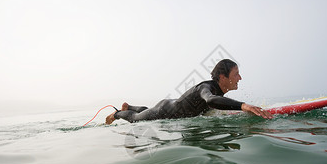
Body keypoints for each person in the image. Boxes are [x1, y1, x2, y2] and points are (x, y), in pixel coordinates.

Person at [105, 59, 273, 124]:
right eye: (236, 74)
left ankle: (130, 106)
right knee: (136, 119)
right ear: (222, 77)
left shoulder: (217, 90)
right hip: (164, 112)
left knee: (147, 111)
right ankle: (118, 113)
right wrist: (243, 106)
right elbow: (210, 100)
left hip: (167, 105)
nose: (240, 78)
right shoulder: (206, 88)